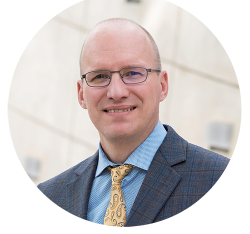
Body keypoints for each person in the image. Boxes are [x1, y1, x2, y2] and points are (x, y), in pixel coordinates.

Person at [37, 18, 230, 227]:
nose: (117, 92)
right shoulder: (51, 195)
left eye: (133, 73)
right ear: (81, 94)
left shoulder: (215, 178)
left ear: (162, 85)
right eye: (100, 76)